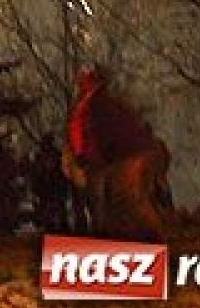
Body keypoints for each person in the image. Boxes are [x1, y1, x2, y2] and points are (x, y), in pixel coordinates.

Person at [66, 67, 169, 241]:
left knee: (130, 199)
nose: (80, 83)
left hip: (125, 156)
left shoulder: (96, 104)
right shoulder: (96, 103)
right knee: (119, 201)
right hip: (122, 155)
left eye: (84, 79)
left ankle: (155, 241)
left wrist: (91, 156)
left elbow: (95, 132)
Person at [26, 133, 69, 233]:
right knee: (49, 210)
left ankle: (61, 227)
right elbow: (36, 173)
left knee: (58, 209)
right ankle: (52, 227)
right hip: (46, 188)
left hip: (55, 187)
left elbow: (61, 171)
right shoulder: (40, 156)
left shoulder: (56, 155)